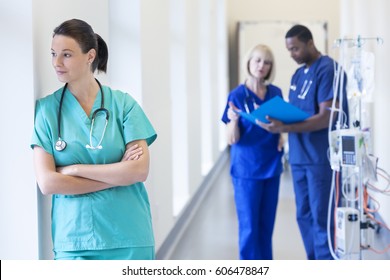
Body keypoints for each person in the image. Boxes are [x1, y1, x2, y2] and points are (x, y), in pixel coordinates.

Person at [31, 19, 157, 260]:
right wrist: (118, 176)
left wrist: (76, 169)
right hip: (74, 240)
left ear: (90, 56)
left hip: (129, 235)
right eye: (53, 54)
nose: (57, 63)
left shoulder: (123, 105)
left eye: (66, 54)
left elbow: (139, 171)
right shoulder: (47, 111)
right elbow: (48, 183)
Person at [258, 24, 348, 260]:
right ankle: (314, 262)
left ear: (310, 43)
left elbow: (327, 117)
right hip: (299, 156)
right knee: (304, 215)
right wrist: (274, 120)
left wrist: (284, 127)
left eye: (296, 48)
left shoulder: (327, 70)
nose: (292, 54)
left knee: (321, 217)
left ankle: (325, 264)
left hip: (320, 157)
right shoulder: (298, 75)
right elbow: (297, 111)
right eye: (289, 50)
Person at [221, 44, 284, 260]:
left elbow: (281, 124)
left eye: (266, 62)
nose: (261, 66)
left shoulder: (275, 93)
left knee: (266, 228)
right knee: (249, 228)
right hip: (247, 169)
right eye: (257, 60)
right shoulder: (237, 95)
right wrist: (234, 120)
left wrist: (282, 134)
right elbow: (232, 139)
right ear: (248, 62)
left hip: (272, 166)